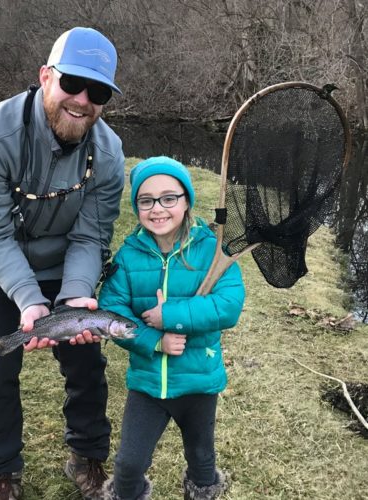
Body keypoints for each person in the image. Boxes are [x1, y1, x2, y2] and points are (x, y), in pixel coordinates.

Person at [0, 27, 125, 500]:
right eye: (73, 83)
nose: (82, 99)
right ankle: (2, 472)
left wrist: (74, 296)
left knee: (87, 361)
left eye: (98, 92)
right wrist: (30, 302)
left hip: (63, 266)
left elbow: (91, 234)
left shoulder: (108, 155)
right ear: (46, 76)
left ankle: (87, 457)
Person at [98, 156, 246, 500]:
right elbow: (111, 309)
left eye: (169, 198)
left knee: (201, 458)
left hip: (198, 381)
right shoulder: (129, 255)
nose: (157, 209)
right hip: (148, 383)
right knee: (129, 465)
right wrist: (153, 338)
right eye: (146, 200)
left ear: (186, 200)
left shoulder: (213, 250)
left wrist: (171, 315)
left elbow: (228, 305)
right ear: (136, 206)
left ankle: (202, 491)